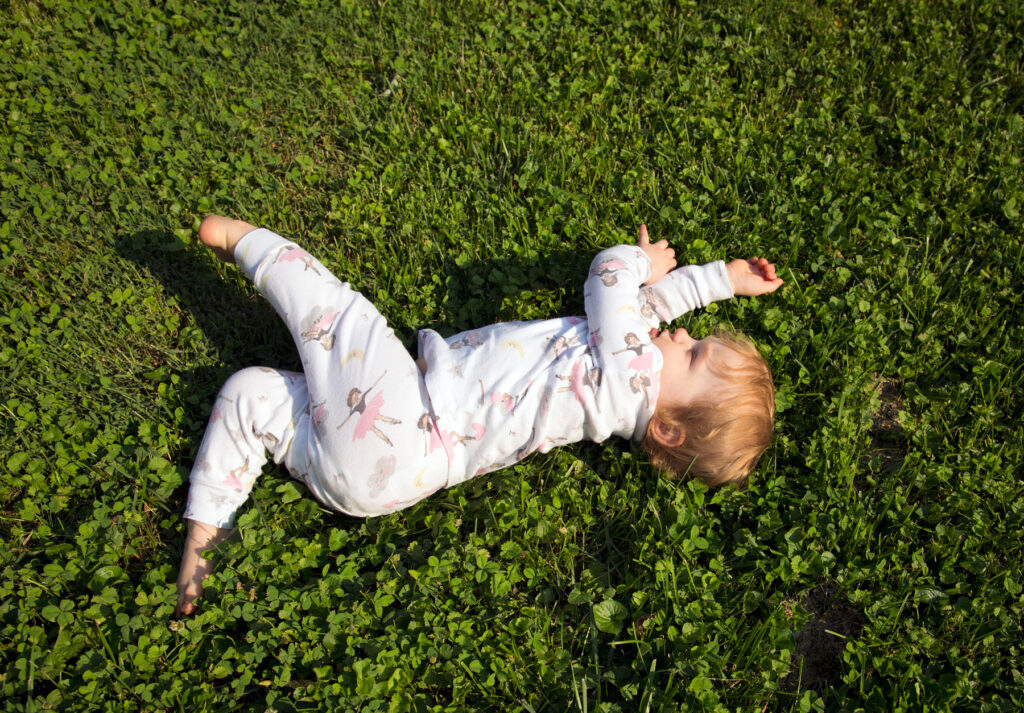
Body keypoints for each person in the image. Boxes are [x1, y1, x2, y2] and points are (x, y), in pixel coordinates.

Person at [175, 215, 782, 615]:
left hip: (413, 424)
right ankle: (207, 534)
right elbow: (642, 315)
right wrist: (719, 281)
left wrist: (642, 262)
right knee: (253, 393)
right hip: (376, 483)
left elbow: (613, 279)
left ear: (668, 428)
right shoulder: (627, 379)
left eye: (695, 352)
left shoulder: (628, 374)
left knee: (344, 322)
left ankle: (251, 246)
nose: (681, 335)